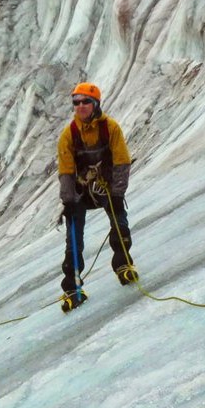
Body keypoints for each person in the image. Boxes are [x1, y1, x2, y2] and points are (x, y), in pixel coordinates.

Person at [56, 82, 136, 308]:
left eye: (85, 102)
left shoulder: (110, 128)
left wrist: (118, 193)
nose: (80, 107)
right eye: (76, 103)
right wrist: (68, 201)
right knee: (74, 240)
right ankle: (72, 287)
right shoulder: (68, 135)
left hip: (105, 185)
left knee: (119, 223)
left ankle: (123, 264)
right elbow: (66, 172)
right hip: (81, 191)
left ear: (95, 104)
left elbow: (122, 161)